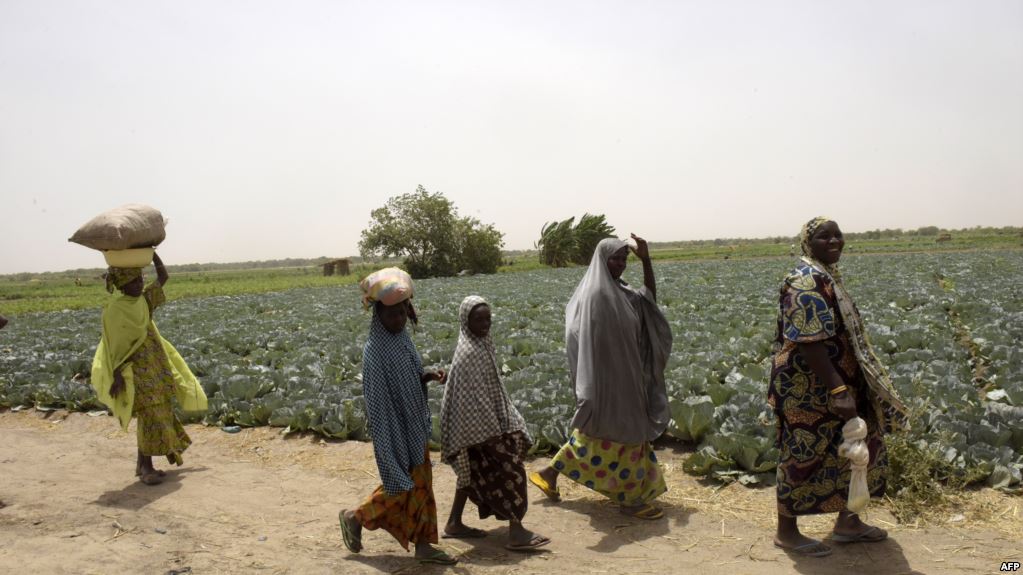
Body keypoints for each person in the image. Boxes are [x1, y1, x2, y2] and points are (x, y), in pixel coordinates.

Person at [768, 217, 909, 557]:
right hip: (810, 388)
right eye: (823, 236)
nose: (834, 241)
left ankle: (849, 522)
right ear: (808, 243)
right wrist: (837, 390)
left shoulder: (825, 275)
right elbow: (808, 341)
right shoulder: (805, 280)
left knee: (859, 448)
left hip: (840, 380)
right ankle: (786, 532)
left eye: (837, 235)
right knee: (803, 455)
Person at [530, 235, 673, 519]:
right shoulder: (597, 295)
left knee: (603, 435)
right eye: (615, 258)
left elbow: (649, 302)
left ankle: (549, 472)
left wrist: (646, 260)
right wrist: (592, 386)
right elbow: (586, 342)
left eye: (624, 259)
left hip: (627, 376)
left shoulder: (620, 290)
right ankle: (630, 500)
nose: (620, 264)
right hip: (609, 381)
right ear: (601, 259)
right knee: (626, 432)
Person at [339, 270, 457, 566]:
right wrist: (388, 447)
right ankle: (356, 516)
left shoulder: (403, 341)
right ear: (378, 313)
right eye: (392, 314)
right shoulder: (374, 353)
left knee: (421, 486)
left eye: (404, 312)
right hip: (396, 432)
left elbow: (410, 375)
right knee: (404, 485)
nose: (399, 319)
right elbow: (378, 406)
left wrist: (426, 375)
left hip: (414, 425)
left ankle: (424, 545)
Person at [440, 296, 550, 551]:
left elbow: (491, 389)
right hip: (477, 428)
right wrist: (494, 435)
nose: (484, 323)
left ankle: (454, 522)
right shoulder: (470, 353)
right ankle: (516, 531)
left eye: (487, 318)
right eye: (478, 319)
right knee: (510, 470)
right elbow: (475, 401)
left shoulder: (480, 344)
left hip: (477, 426)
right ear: (466, 321)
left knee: (473, 471)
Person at [90, 253, 207, 485]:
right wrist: (115, 374)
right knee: (149, 414)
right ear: (122, 285)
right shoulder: (114, 310)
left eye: (140, 280)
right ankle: (146, 469)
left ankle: (142, 464)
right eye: (134, 282)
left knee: (160, 409)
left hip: (155, 364)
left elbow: (164, 276)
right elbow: (113, 345)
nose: (139, 284)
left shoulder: (144, 301)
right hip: (133, 371)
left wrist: (151, 253)